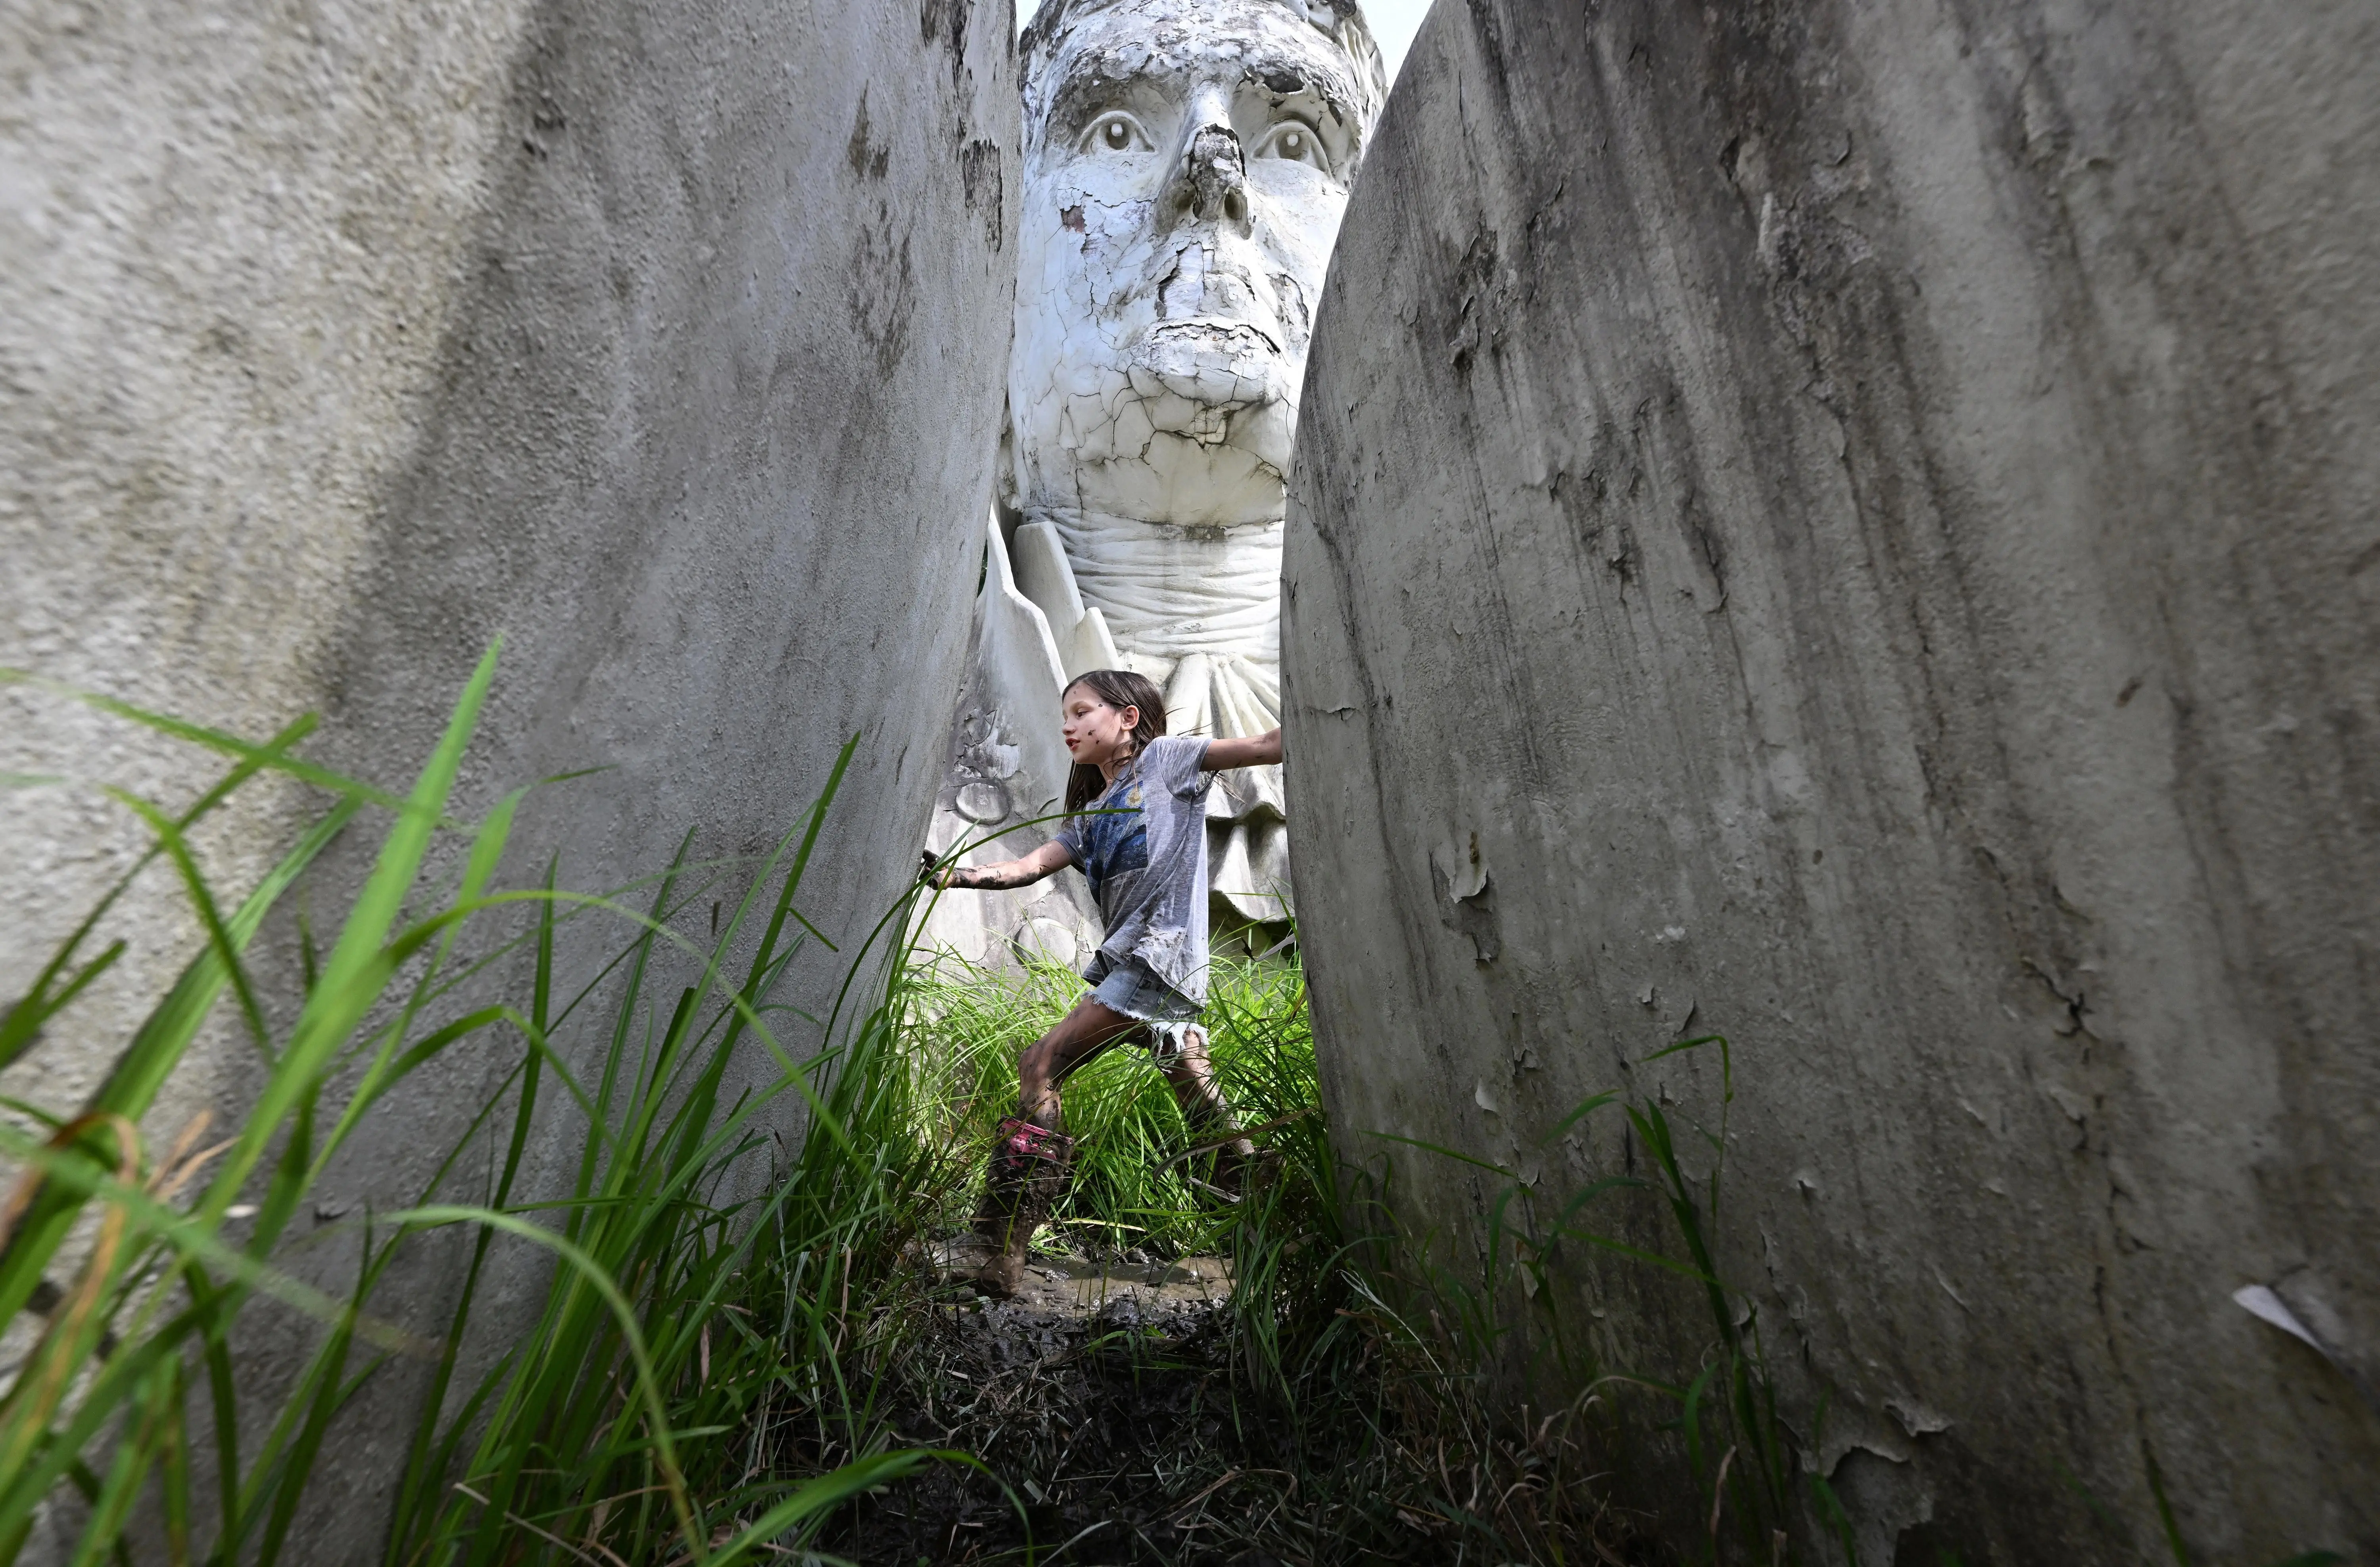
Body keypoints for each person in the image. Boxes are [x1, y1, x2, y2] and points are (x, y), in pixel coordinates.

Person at [919, 667, 1284, 1297]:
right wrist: (959, 877)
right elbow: (1029, 865)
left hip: (1154, 959)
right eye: (1065, 714)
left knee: (1041, 1064)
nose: (1069, 725)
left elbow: (1261, 748)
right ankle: (1277, 1230)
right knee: (1203, 1105)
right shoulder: (1091, 815)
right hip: (1147, 969)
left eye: (1082, 711)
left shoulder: (1170, 762)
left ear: (1128, 719)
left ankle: (994, 1249)